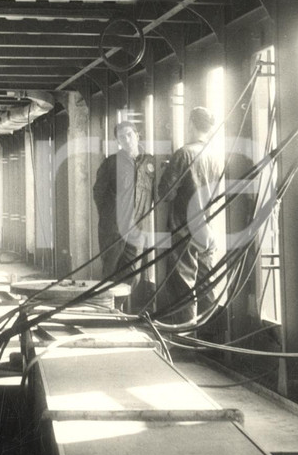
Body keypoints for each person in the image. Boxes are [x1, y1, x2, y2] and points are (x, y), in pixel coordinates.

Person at [157, 106, 223, 323]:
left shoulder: (184, 154)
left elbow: (165, 193)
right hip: (207, 230)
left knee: (183, 287)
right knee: (206, 284)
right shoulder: (215, 156)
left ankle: (185, 335)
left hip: (183, 229)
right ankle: (209, 335)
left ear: (191, 124)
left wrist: (167, 171)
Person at [92, 120, 156, 312]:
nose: (126, 140)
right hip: (113, 229)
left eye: (129, 135)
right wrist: (111, 217)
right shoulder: (111, 163)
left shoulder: (149, 162)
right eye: (121, 137)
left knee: (133, 274)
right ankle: (107, 311)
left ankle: (118, 308)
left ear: (137, 135)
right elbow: (98, 193)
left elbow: (154, 193)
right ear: (117, 141)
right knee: (111, 271)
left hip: (137, 230)